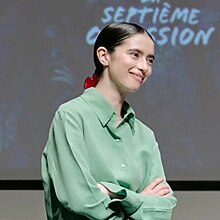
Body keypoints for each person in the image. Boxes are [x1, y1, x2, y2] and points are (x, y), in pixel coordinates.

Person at [41, 22, 177, 220]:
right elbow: (81, 200)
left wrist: (111, 191)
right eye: (135, 54)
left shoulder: (145, 135)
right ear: (104, 56)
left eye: (150, 60)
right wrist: (139, 201)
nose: (144, 67)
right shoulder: (71, 116)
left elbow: (163, 209)